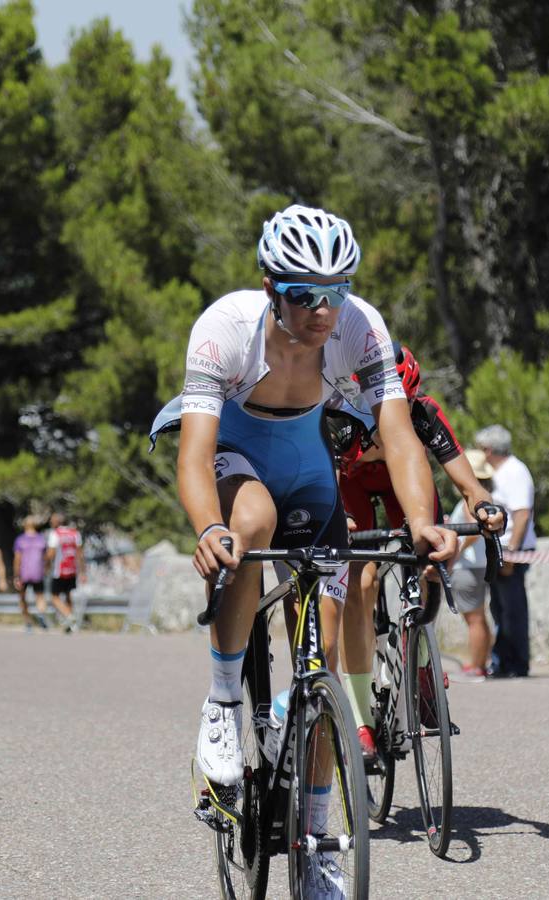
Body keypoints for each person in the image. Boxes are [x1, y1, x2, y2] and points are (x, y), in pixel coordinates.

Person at [149, 204, 456, 810]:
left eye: (336, 291)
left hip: (306, 456)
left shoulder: (361, 327)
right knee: (252, 522)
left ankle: (318, 830)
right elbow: (195, 454)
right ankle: (222, 702)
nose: (323, 311)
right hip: (235, 449)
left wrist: (423, 522)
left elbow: (398, 437)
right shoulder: (224, 328)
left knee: (322, 658)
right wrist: (209, 527)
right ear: (271, 288)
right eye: (304, 295)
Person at [329, 344, 501, 758]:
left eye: (403, 405)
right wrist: (336, 520)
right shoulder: (344, 421)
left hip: (400, 484)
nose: (393, 415)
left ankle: (420, 663)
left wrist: (484, 506)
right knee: (360, 581)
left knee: (429, 559)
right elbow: (328, 482)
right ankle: (361, 717)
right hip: (351, 486)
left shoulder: (423, 415)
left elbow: (467, 482)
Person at [476, 425, 538, 679]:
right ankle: (502, 661)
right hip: (500, 549)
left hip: (513, 550)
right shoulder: (501, 473)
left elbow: (522, 514)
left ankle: (517, 663)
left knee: (513, 609)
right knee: (499, 607)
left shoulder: (515, 472)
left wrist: (511, 552)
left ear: (489, 450)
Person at [448, 449, 497, 682]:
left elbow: (473, 532)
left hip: (467, 567)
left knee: (473, 619)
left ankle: (475, 666)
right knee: (480, 616)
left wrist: (457, 552)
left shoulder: (471, 500)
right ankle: (482, 662)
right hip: (480, 564)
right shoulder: (486, 498)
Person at [44, 513, 81, 633]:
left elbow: (50, 554)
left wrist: (45, 564)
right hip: (72, 570)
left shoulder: (55, 534)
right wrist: (82, 571)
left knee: (54, 597)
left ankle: (70, 616)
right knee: (68, 596)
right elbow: (80, 554)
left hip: (59, 570)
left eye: (52, 520)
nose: (50, 522)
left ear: (57, 522)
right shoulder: (75, 533)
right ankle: (71, 626)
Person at [12, 516, 49, 631]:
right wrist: (46, 569)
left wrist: (16, 575)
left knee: (22, 598)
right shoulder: (41, 539)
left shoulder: (20, 540)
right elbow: (46, 558)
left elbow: (17, 559)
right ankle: (41, 614)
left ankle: (28, 622)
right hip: (38, 572)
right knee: (40, 596)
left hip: (24, 573)